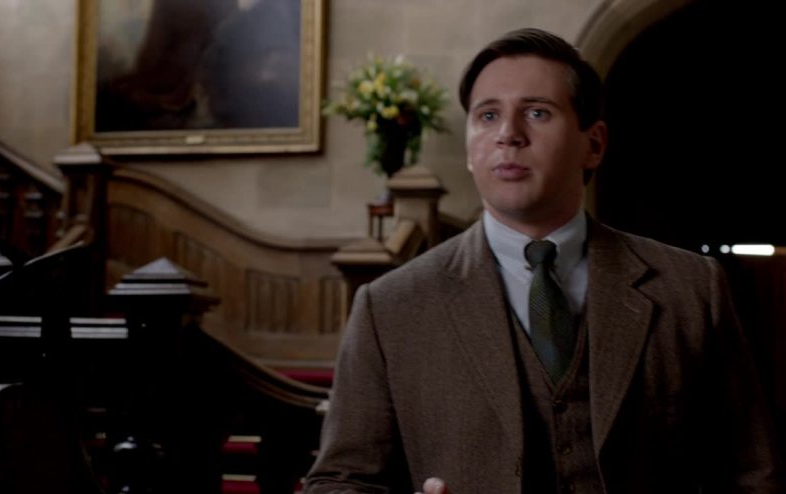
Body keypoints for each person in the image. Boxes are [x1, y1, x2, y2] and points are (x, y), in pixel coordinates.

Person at [304, 28, 783, 493]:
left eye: (537, 112)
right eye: (488, 115)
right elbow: (340, 481)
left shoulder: (691, 288)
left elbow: (750, 474)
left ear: (594, 144)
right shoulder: (390, 307)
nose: (508, 135)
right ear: (470, 148)